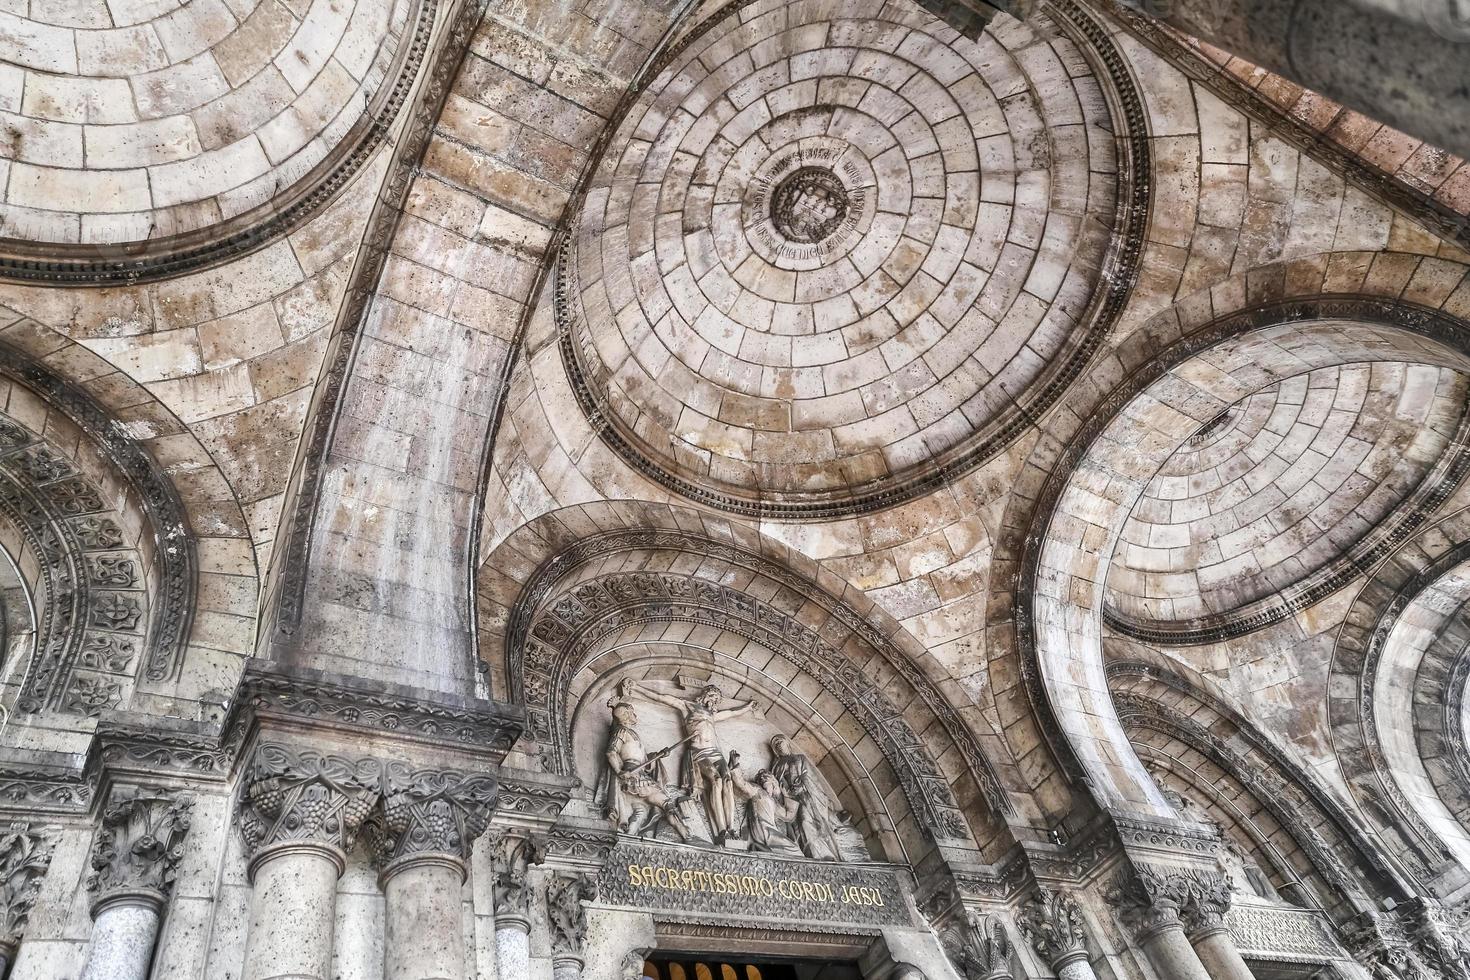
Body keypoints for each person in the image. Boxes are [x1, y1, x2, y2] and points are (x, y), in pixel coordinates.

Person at [625, 679, 758, 844]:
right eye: (713, 696)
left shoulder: (712, 714)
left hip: (716, 753)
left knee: (728, 781)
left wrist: (748, 707)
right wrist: (637, 687)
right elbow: (662, 697)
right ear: (705, 695)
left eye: (717, 699)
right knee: (716, 780)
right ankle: (722, 829)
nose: (714, 700)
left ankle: (732, 828)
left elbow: (731, 712)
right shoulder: (687, 706)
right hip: (699, 752)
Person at [598, 695, 690, 842]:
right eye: (632, 712)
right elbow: (611, 752)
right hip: (635, 777)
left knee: (640, 813)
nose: (635, 715)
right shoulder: (621, 731)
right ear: (626, 716)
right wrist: (619, 771)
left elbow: (643, 760)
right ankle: (687, 836)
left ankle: (627, 841)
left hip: (636, 775)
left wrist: (658, 755)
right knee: (667, 803)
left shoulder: (631, 733)